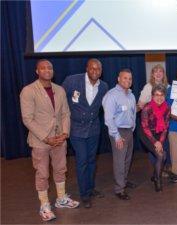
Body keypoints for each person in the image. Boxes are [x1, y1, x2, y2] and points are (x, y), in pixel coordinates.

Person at [20, 59, 79, 222]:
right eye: (43, 68)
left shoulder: (59, 90)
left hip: (59, 139)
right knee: (42, 173)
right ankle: (44, 205)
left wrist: (65, 133)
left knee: (61, 169)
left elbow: (66, 113)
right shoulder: (29, 91)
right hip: (41, 141)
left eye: (50, 67)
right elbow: (27, 119)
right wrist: (46, 138)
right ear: (37, 71)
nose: (47, 70)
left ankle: (61, 199)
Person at [62, 58, 108, 208]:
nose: (95, 71)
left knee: (92, 161)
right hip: (76, 129)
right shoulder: (72, 81)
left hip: (94, 129)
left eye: (98, 69)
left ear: (101, 71)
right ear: (86, 68)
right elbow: (61, 100)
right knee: (82, 161)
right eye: (92, 68)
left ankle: (90, 187)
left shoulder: (104, 87)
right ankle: (85, 194)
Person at [102, 69, 137, 200]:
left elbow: (133, 113)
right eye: (125, 78)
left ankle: (124, 181)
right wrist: (116, 136)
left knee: (127, 159)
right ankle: (119, 189)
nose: (128, 81)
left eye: (130, 79)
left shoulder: (131, 95)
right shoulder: (111, 95)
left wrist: (133, 127)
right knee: (119, 162)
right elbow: (108, 118)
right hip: (118, 131)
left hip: (129, 131)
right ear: (118, 79)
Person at [137, 64, 171, 175]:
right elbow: (141, 105)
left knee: (164, 146)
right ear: (152, 74)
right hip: (151, 124)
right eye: (155, 71)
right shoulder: (148, 87)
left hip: (164, 123)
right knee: (154, 149)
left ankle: (162, 168)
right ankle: (157, 171)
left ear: (163, 74)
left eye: (160, 71)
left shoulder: (169, 87)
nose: (158, 73)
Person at [139, 85, 170, 192]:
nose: (159, 97)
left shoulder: (167, 108)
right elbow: (145, 127)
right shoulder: (147, 108)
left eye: (161, 95)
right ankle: (158, 179)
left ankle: (155, 174)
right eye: (156, 95)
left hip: (159, 133)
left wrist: (160, 141)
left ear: (165, 96)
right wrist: (155, 142)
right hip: (146, 134)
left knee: (163, 156)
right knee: (161, 155)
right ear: (152, 96)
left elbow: (165, 127)